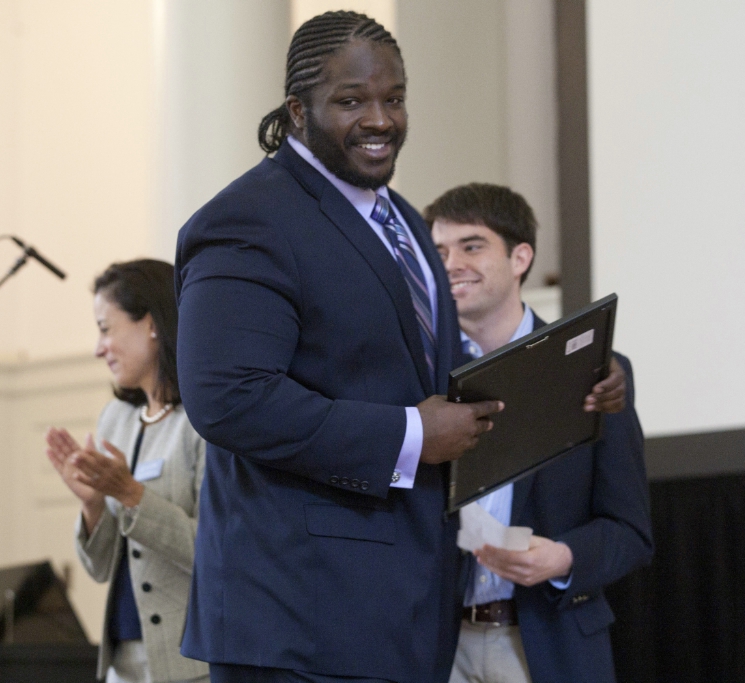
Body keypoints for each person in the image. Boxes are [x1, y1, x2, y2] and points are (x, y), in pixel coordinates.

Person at [173, 12, 624, 683]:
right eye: (351, 101)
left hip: (404, 619)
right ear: (298, 110)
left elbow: (431, 375)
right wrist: (408, 434)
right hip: (300, 624)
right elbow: (228, 398)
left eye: (394, 98)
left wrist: (573, 382)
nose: (380, 119)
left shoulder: (403, 218)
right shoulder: (249, 219)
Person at [424, 183, 654, 683]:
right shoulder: (418, 379)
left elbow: (630, 532)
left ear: (520, 256)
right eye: (439, 250)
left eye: (472, 245)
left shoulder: (594, 373)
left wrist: (564, 558)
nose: (451, 263)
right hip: (438, 649)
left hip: (550, 644)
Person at [45, 260, 209, 683]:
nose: (99, 347)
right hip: (122, 662)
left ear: (151, 324)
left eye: (105, 328)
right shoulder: (114, 419)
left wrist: (132, 494)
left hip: (189, 664)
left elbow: (217, 553)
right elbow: (100, 569)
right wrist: (93, 505)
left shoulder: (203, 423)